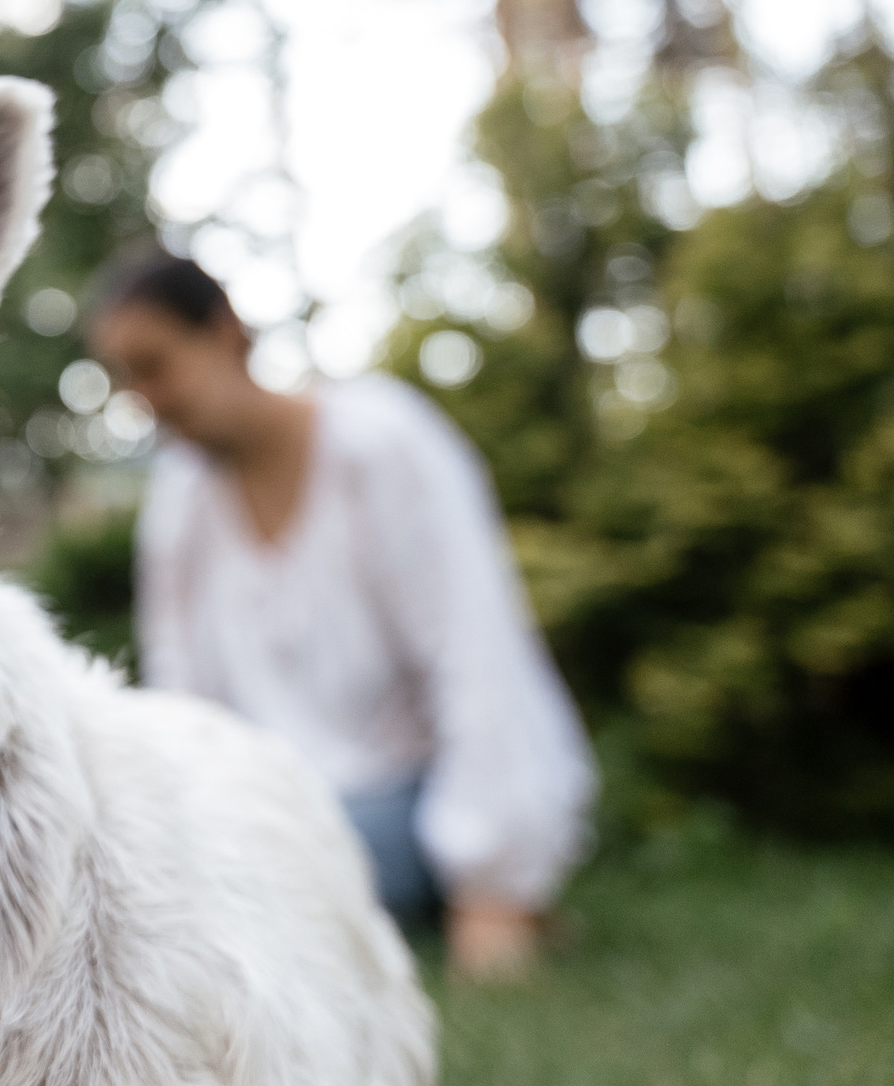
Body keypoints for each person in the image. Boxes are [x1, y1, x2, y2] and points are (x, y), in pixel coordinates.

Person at [86, 251, 596, 981]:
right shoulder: (181, 504)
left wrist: (491, 883)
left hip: (410, 802)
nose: (146, 398)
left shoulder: (380, 443)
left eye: (154, 364)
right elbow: (183, 710)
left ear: (227, 331)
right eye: (125, 380)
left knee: (312, 861)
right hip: (268, 817)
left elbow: (477, 658)